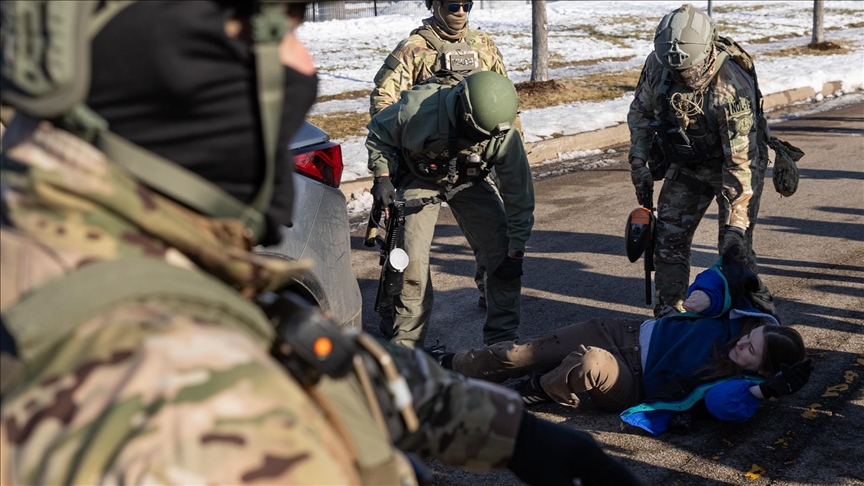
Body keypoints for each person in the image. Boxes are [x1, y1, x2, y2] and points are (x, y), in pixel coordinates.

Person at [0, 2, 639, 485]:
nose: (301, 70)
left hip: (462, 183)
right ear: (149, 60)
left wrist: (517, 438)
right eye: (264, 32)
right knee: (407, 278)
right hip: (420, 179)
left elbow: (318, 359)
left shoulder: (134, 257)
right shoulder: (176, 403)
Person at [431, 258, 813, 435]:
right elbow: (729, 274)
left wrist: (764, 391)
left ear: (761, 369)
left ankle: (535, 391)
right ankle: (447, 362)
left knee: (589, 363)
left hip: (630, 380)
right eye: (746, 338)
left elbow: (726, 406)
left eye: (749, 351)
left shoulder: (736, 387)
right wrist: (707, 297)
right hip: (626, 332)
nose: (740, 344)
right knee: (518, 353)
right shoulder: (749, 320)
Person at [367, 71, 534, 349]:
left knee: (501, 253)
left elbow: (519, 194)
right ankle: (407, 345)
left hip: (470, 179)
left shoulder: (502, 133)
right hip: (419, 177)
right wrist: (382, 176)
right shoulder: (416, 109)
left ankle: (501, 342)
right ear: (463, 113)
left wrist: (516, 250)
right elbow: (378, 133)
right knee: (411, 260)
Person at [627, 4, 772, 318]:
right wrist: (639, 161)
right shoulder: (658, 65)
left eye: (688, 69)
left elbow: (741, 164)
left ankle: (755, 318)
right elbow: (640, 113)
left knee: (734, 250)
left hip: (730, 165)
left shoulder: (731, 89)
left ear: (707, 53)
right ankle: (670, 316)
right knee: (667, 237)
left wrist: (737, 223)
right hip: (687, 160)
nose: (682, 76)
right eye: (675, 70)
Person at [371, 0, 511, 311]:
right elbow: (383, 105)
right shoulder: (414, 48)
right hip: (420, 168)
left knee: (499, 242)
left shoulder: (483, 46)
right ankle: (403, 324)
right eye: (452, 4)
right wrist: (384, 168)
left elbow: (505, 103)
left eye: (467, 4)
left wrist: (509, 155)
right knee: (409, 255)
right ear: (434, 5)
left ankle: (494, 304)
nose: (460, 11)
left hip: (471, 168)